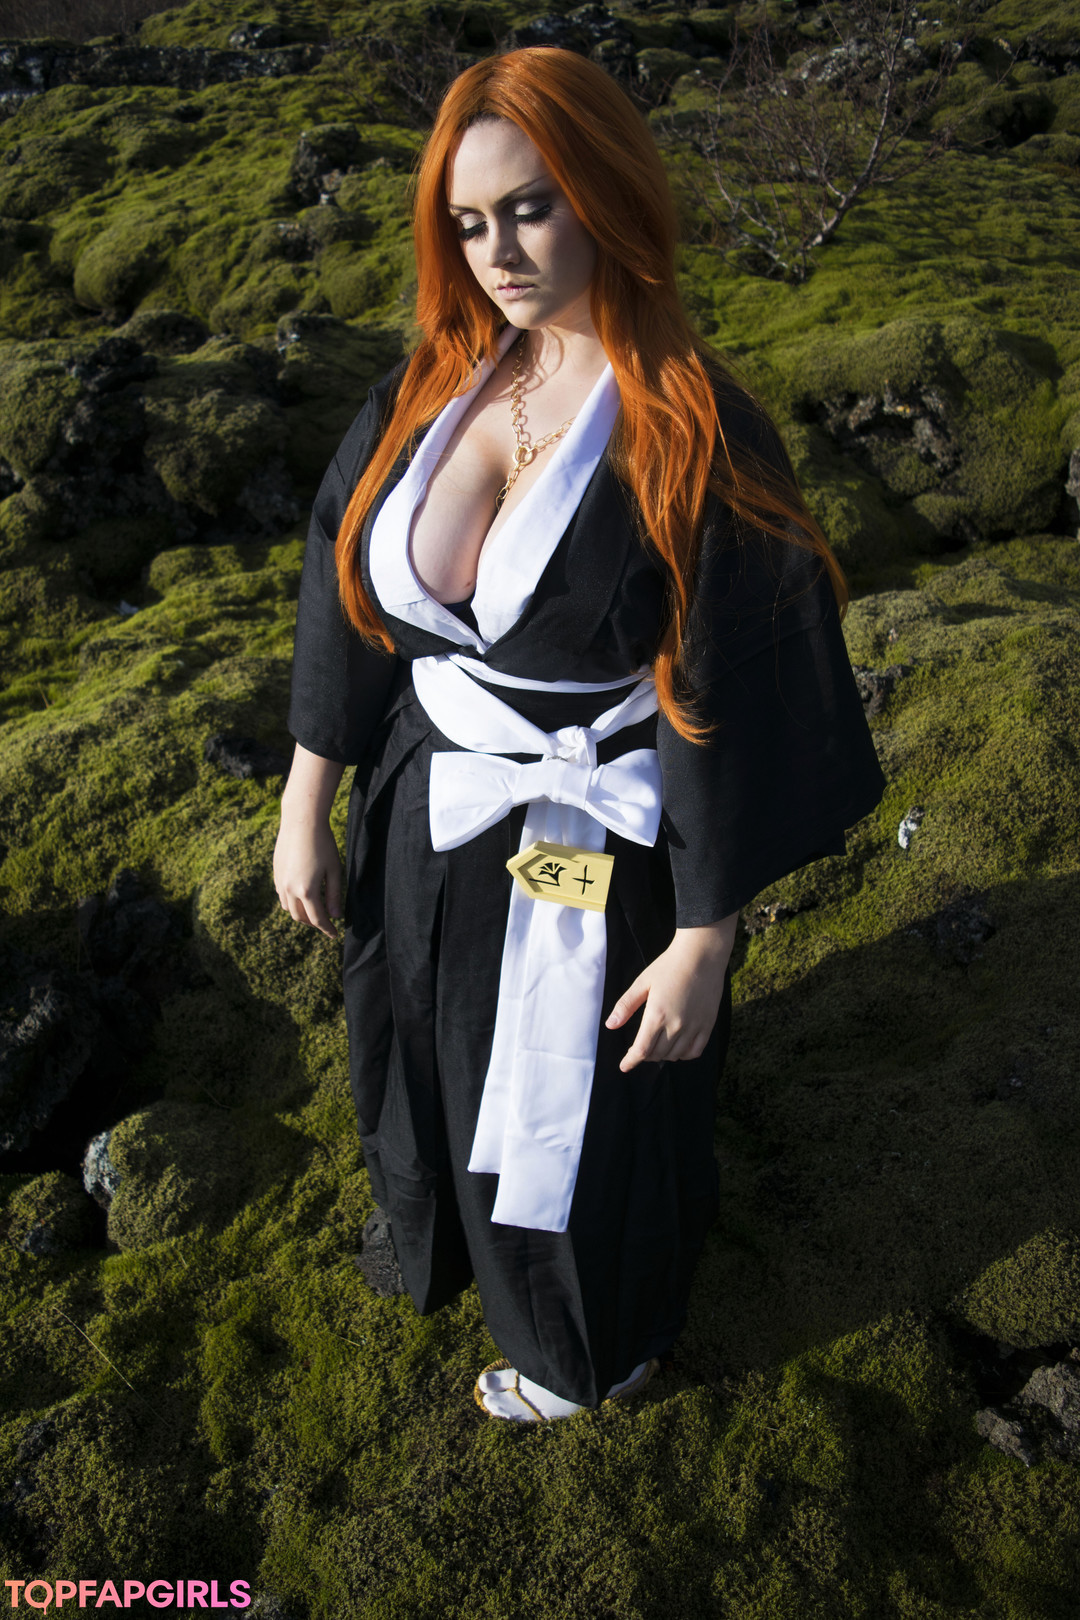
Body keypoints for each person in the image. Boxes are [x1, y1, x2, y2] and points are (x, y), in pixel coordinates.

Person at [274, 46, 885, 1423]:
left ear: (606, 189)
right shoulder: (436, 383)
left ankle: (592, 1345)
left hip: (588, 832)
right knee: (427, 1039)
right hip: (430, 805)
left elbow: (732, 679)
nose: (497, 253)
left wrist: (707, 936)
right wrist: (307, 801)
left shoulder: (695, 426)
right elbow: (343, 579)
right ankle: (446, 1248)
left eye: (530, 208)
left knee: (581, 1101)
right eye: (468, 222)